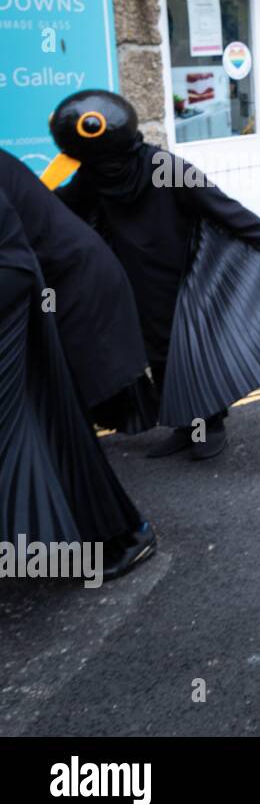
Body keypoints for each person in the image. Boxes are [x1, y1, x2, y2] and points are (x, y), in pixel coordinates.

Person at [41, 91, 260, 461]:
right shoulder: (94, 175)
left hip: (185, 272)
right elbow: (59, 210)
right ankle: (184, 424)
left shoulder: (160, 166)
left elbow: (228, 212)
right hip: (135, 277)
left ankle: (209, 424)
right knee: (159, 350)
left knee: (187, 348)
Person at [0, 149, 155, 580]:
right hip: (49, 276)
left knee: (60, 416)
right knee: (56, 414)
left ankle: (102, 536)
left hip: (70, 279)